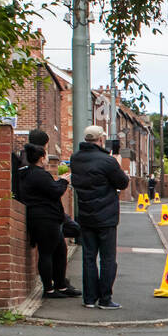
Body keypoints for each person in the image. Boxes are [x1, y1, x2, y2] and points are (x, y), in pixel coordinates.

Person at [69, 125, 130, 310]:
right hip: (106, 216)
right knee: (107, 258)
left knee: (88, 257)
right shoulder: (107, 161)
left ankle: (89, 298)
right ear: (101, 139)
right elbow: (123, 182)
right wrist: (116, 163)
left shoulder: (75, 159)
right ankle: (105, 298)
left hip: (85, 214)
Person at [18, 143, 80, 299]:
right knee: (46, 253)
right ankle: (49, 290)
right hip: (45, 219)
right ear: (41, 158)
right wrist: (64, 181)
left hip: (46, 218)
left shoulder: (27, 173)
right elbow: (55, 191)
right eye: (45, 156)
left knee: (60, 251)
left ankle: (61, 285)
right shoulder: (38, 174)